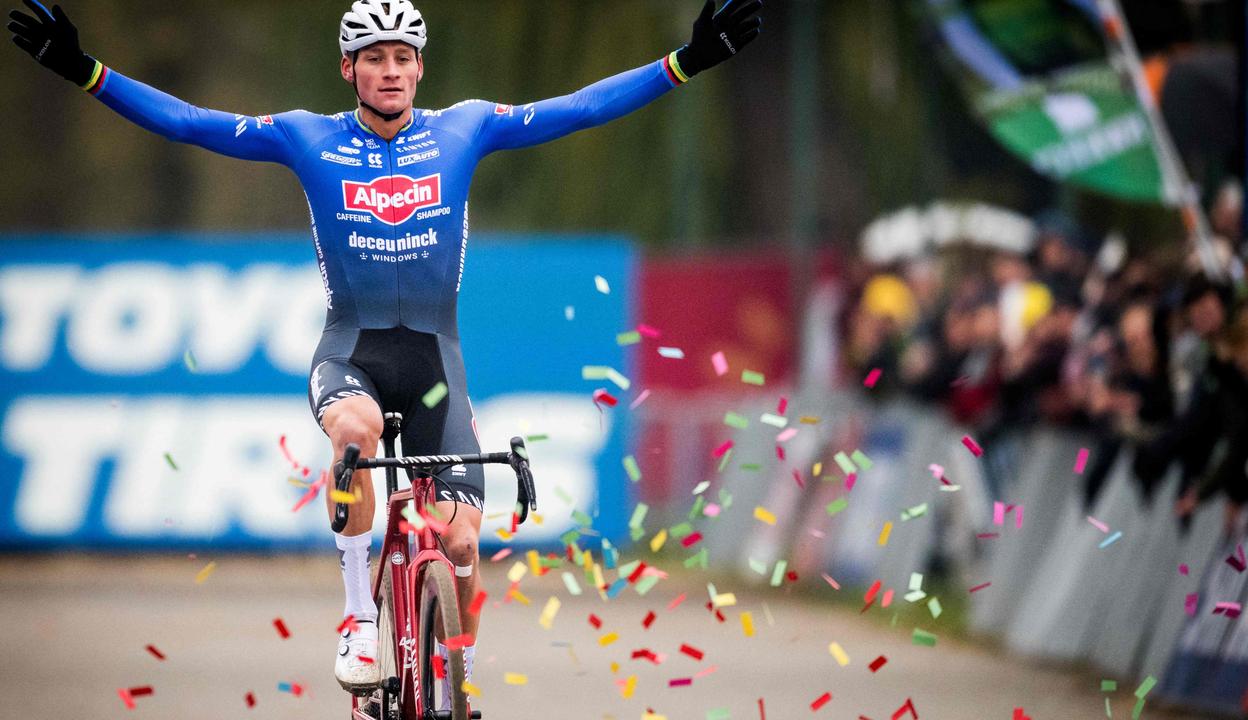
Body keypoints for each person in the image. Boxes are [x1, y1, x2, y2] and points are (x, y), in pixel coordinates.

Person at [7, 0, 765, 705]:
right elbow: (190, 124)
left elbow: (579, 110)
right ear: (350, 70)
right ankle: (357, 618)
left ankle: (456, 679)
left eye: (404, 55)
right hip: (352, 351)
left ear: (422, 67)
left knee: (464, 541)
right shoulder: (307, 136)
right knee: (355, 433)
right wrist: (88, 72)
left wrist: (685, 62)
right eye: (375, 57)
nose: (392, 69)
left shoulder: (467, 128)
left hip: (437, 363)